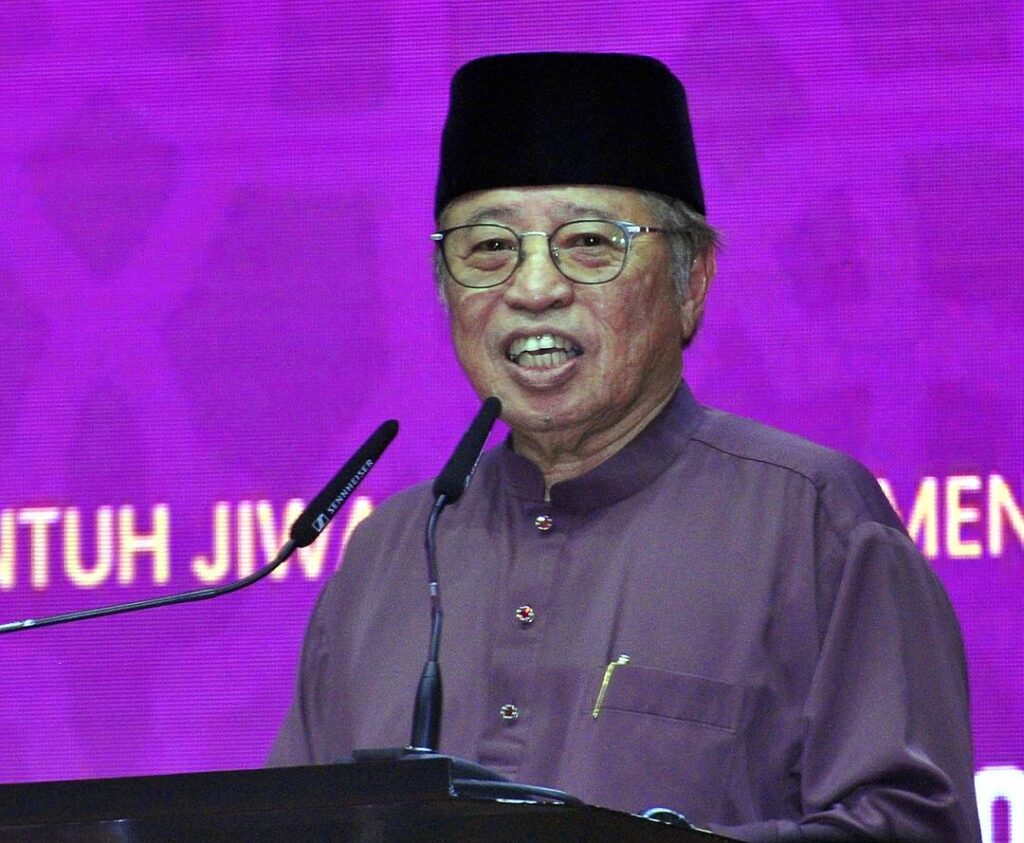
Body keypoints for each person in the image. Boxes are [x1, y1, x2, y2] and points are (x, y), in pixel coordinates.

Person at [268, 52, 981, 841]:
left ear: (691, 280)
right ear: (444, 287)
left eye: (588, 242)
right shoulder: (389, 553)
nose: (533, 288)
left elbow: (914, 827)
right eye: (489, 248)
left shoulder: (812, 521)